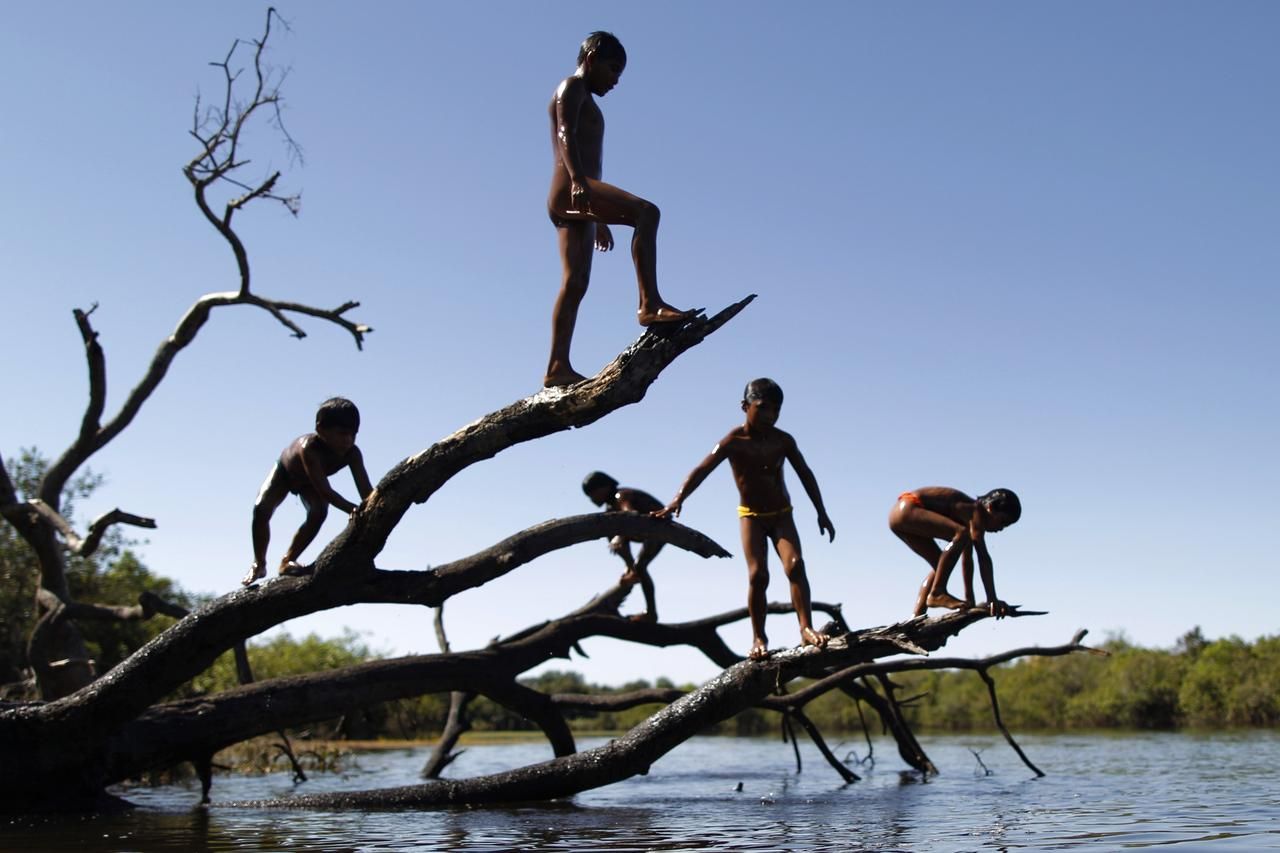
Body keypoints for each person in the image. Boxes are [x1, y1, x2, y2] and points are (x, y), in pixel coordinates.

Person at [544, 31, 696, 388]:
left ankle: (556, 367)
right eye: (613, 70)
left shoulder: (588, 99)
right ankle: (649, 304)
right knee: (647, 213)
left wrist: (596, 216)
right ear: (592, 58)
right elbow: (565, 133)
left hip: (575, 196)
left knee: (576, 282)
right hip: (570, 188)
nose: (615, 81)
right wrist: (579, 181)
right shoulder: (573, 87)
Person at [657, 378, 835, 660]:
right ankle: (758, 637)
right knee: (758, 575)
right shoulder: (732, 442)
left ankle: (806, 628)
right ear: (745, 406)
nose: (770, 416)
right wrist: (678, 499)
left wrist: (821, 511)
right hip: (750, 516)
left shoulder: (783, 441)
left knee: (796, 566)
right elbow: (702, 469)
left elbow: (805, 473)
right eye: (763, 408)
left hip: (782, 516)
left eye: (776, 410)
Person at [242, 397, 373, 585]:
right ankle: (259, 563)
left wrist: (377, 505)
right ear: (320, 429)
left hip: (309, 483)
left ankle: (287, 561)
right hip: (286, 474)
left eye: (353, 435)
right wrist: (354, 510)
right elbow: (325, 491)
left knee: (319, 512)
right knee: (261, 509)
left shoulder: (352, 453)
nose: (348, 440)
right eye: (342, 434)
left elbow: (366, 492)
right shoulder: (309, 448)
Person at [888, 487, 1021, 618]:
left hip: (898, 515)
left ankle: (917, 616)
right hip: (908, 509)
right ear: (990, 507)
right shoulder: (975, 511)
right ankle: (937, 593)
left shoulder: (967, 518)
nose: (1001, 528)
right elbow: (983, 557)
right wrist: (992, 598)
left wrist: (969, 600)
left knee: (939, 564)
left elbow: (967, 560)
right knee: (961, 533)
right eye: (1002, 522)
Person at [582, 471, 665, 622]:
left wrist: (620, 536)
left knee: (641, 566)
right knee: (610, 528)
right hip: (642, 531)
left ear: (603, 488)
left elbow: (631, 515)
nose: (592, 499)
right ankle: (630, 569)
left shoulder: (622, 496)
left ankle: (651, 613)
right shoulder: (610, 507)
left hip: (658, 527)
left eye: (592, 494)